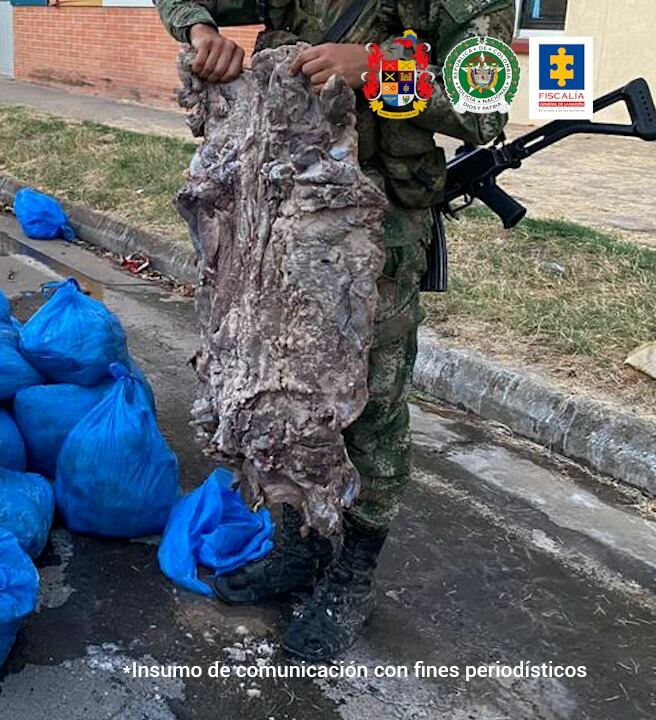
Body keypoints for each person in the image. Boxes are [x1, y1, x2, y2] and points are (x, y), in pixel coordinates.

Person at [156, 0, 514, 661]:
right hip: (279, 224)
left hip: (375, 231)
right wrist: (203, 32)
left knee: (370, 407)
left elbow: (485, 96)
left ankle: (353, 574)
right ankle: (300, 545)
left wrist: (378, 69)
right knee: (285, 394)